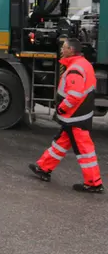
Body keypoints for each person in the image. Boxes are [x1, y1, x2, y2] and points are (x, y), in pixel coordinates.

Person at [30, 38, 103, 193]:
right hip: (79, 115)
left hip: (75, 116)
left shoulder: (75, 69)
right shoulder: (84, 64)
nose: (61, 50)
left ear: (71, 50)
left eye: (63, 48)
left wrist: (61, 109)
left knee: (84, 150)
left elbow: (74, 96)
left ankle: (93, 183)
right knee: (61, 143)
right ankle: (43, 167)